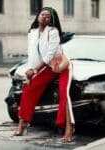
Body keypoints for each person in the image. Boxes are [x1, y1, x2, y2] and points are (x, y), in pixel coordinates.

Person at [14, 7, 75, 142]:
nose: (45, 17)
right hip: (47, 68)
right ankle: (23, 123)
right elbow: (32, 54)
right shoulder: (32, 32)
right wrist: (30, 74)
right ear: (38, 16)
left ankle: (69, 128)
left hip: (61, 66)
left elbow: (49, 55)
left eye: (48, 16)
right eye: (43, 14)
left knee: (64, 94)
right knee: (28, 88)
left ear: (51, 20)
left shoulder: (53, 32)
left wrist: (34, 71)